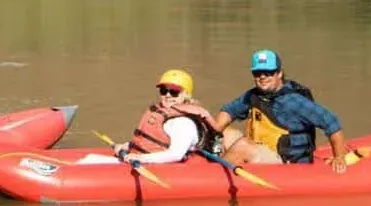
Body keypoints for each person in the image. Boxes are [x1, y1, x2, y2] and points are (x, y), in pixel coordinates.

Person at [214, 49, 351, 173]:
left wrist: (339, 157)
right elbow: (228, 111)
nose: (262, 77)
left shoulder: (294, 102)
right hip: (262, 150)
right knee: (225, 133)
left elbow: (331, 123)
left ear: (279, 73)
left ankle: (213, 175)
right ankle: (214, 165)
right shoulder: (253, 95)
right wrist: (215, 131)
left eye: (268, 72)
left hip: (286, 163)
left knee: (243, 145)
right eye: (257, 73)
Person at [84, 69, 220, 165]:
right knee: (89, 159)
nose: (167, 95)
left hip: (166, 168)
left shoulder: (183, 123)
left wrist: (141, 158)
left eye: (174, 92)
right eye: (163, 90)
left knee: (89, 162)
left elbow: (175, 155)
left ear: (186, 95)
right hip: (145, 160)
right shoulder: (163, 113)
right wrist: (127, 146)